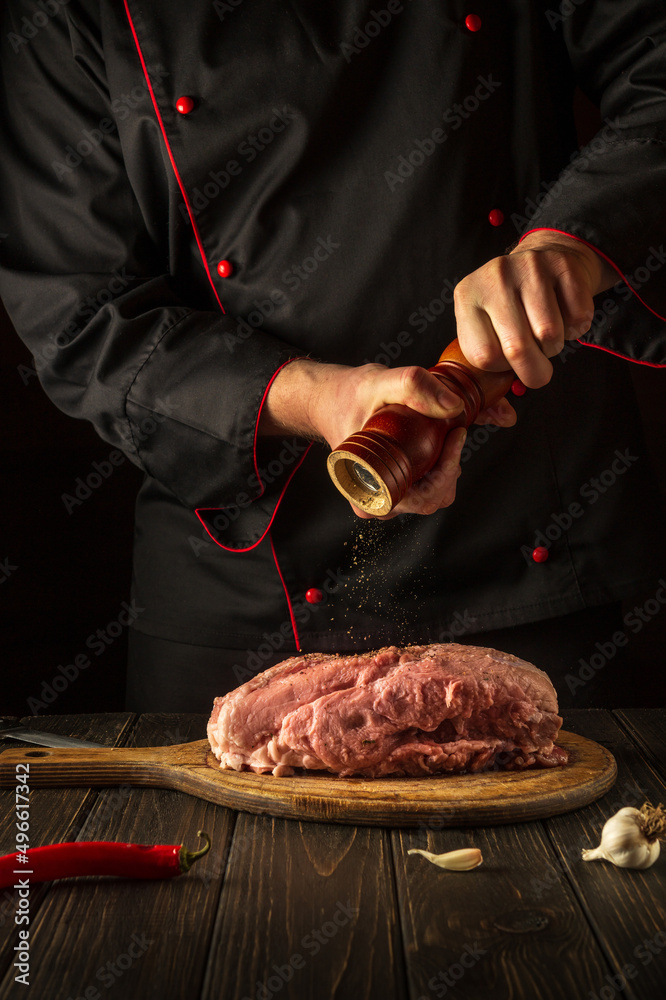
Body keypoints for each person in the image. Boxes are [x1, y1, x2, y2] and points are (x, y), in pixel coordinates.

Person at [1, 1, 665, 712]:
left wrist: (570, 245)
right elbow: (80, 316)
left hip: (532, 548)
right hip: (245, 597)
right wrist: (319, 398)